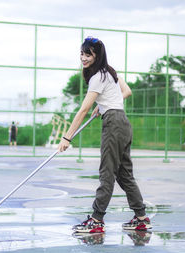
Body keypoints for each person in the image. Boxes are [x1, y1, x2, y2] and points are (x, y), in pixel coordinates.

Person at [58, 36, 152, 233]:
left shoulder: (98, 77)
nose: (83, 58)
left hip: (114, 124)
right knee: (125, 175)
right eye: (81, 54)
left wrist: (67, 137)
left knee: (107, 173)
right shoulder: (109, 72)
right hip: (122, 122)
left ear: (97, 55)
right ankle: (141, 218)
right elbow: (126, 91)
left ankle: (96, 220)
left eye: (88, 54)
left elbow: (83, 109)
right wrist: (103, 105)